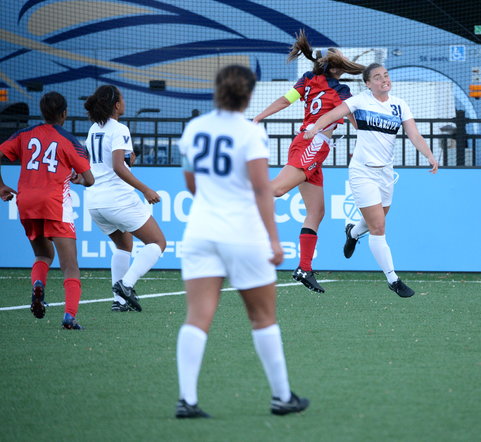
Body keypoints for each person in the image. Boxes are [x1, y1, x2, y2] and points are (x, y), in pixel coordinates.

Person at [175, 65, 309, 418]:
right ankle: (282, 397)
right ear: (248, 95)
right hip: (243, 235)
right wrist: (274, 241)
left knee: (197, 317)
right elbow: (262, 189)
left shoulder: (195, 128)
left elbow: (191, 183)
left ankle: (187, 400)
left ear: (217, 90)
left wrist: (212, 204)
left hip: (200, 232)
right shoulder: (250, 132)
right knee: (262, 317)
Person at [305, 63, 439, 297]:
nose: (384, 80)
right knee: (378, 226)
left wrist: (429, 155)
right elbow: (332, 114)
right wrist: (315, 128)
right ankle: (393, 279)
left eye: (385, 75)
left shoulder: (400, 105)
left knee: (375, 221)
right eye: (377, 77)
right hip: (362, 172)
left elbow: (414, 134)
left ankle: (353, 233)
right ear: (368, 84)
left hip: (386, 173)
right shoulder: (360, 101)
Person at [253, 29, 365, 293]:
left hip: (312, 147)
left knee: (316, 212)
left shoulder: (308, 79)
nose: (344, 62)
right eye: (341, 60)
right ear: (335, 68)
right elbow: (355, 120)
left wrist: (259, 117)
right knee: (277, 190)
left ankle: (305, 268)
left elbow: (286, 100)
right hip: (312, 145)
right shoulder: (341, 90)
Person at [0, 91, 94, 329]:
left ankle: (38, 285)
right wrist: (79, 179)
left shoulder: (24, 134)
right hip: (54, 204)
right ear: (64, 113)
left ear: (42, 112)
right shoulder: (69, 140)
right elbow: (90, 179)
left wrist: (1, 186)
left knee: (43, 255)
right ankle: (69, 316)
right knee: (70, 266)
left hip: (27, 202)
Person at [83, 85, 166, 312]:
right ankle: (126, 285)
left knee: (124, 244)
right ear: (116, 105)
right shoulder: (119, 128)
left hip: (95, 202)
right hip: (117, 199)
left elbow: (106, 163)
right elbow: (118, 167)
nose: (124, 102)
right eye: (122, 98)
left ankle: (119, 302)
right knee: (158, 242)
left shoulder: (93, 129)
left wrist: (128, 161)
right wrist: (145, 189)